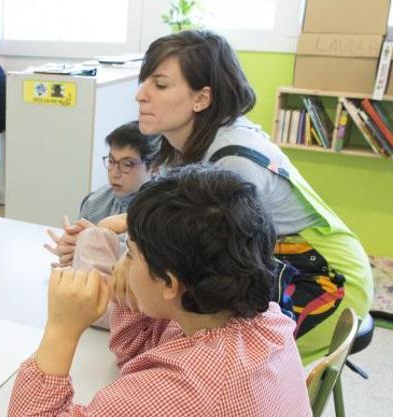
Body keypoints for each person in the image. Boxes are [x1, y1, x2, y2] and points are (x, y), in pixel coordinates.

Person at [65, 30, 371, 363]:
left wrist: (117, 241)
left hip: (323, 280)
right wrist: (101, 242)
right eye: (144, 82)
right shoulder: (187, 146)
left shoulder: (232, 161)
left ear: (202, 98)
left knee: (194, 358)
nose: (141, 94)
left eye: (161, 85)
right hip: (277, 263)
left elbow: (194, 255)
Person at [3, 167, 313, 417]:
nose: (123, 261)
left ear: (170, 283)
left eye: (131, 253)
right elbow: (135, 351)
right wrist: (132, 283)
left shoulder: (182, 391)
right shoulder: (264, 320)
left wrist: (61, 330)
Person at [45, 121, 159, 268]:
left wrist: (91, 247)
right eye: (111, 161)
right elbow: (77, 254)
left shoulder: (163, 211)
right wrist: (69, 251)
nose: (114, 173)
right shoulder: (95, 202)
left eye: (127, 164)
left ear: (155, 167)